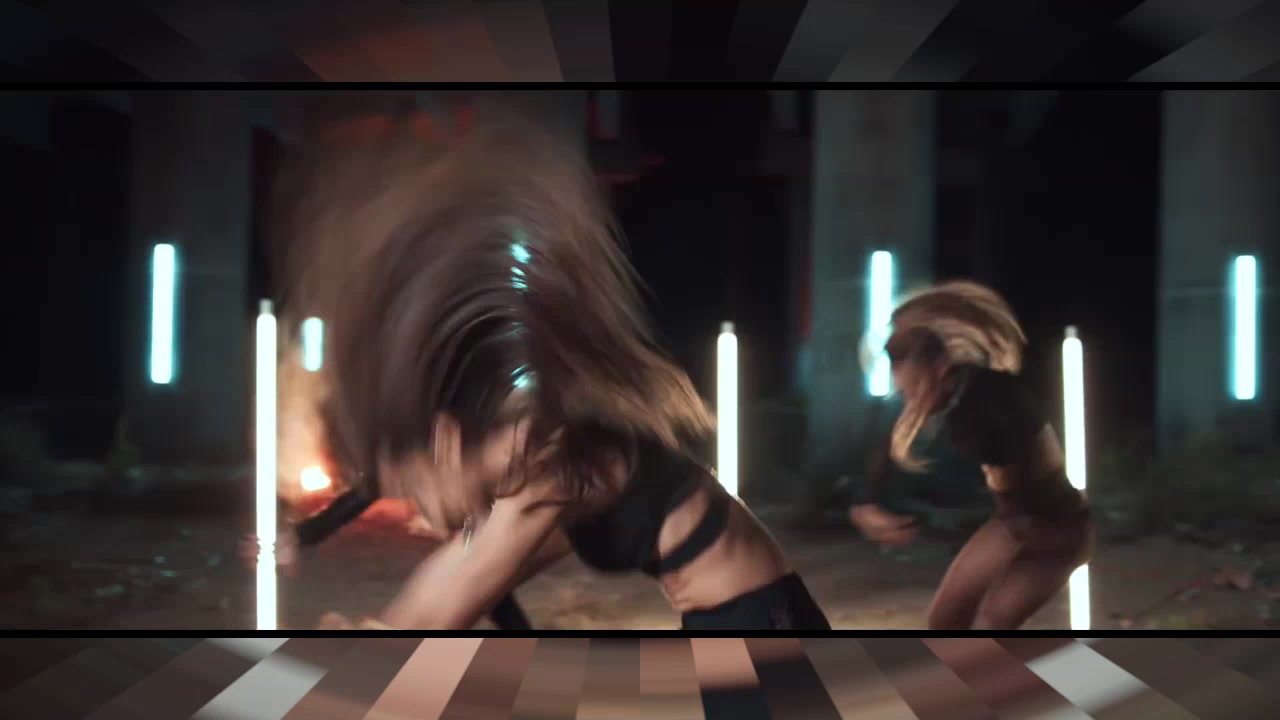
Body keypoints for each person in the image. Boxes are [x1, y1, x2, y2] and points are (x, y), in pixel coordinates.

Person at [273, 106, 829, 630]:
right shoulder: (536, 467)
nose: (424, 512)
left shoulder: (546, 468)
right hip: (737, 616)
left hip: (760, 619)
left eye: (419, 489)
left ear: (448, 442)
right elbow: (468, 573)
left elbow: (454, 592)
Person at [848, 281, 1094, 630]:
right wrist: (866, 501)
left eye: (901, 364)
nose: (897, 382)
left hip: (1058, 529)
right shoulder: (953, 394)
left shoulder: (986, 398)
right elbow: (891, 437)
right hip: (1012, 524)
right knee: (944, 623)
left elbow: (1017, 495)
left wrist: (930, 523)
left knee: (990, 627)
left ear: (938, 364)